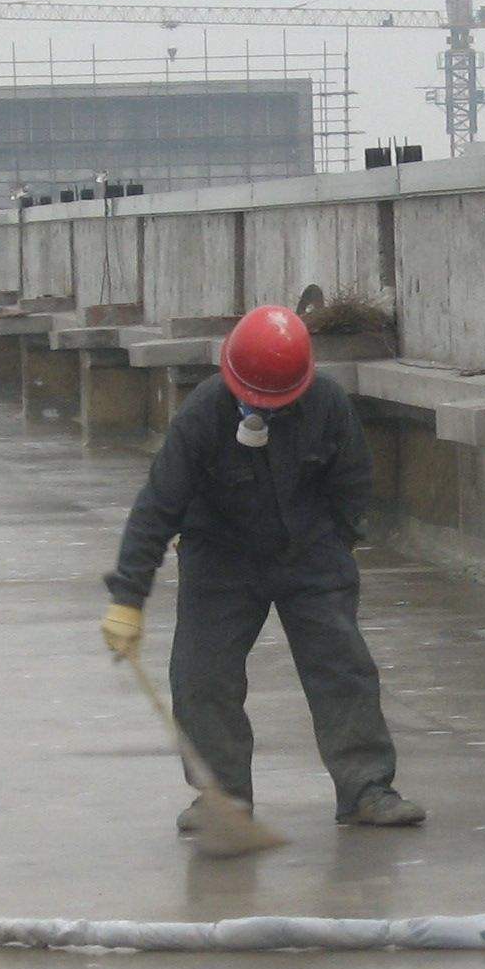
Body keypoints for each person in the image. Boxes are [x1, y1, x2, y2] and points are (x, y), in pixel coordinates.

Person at [99, 305, 425, 836]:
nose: (260, 406)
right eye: (251, 396)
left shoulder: (327, 404)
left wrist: (337, 547)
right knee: (202, 676)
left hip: (311, 554)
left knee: (343, 669)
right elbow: (157, 507)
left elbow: (353, 482)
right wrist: (127, 598)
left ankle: (367, 788)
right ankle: (221, 797)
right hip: (221, 557)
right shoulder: (203, 415)